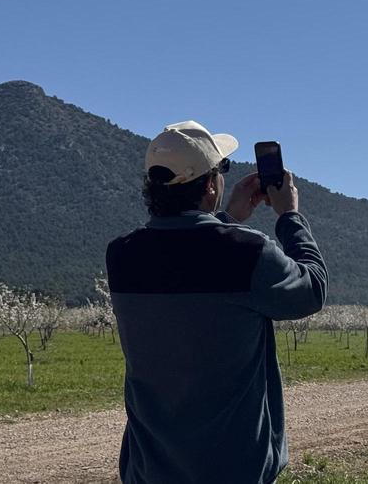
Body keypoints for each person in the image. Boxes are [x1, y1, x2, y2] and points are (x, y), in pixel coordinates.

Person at [106, 120, 327, 484]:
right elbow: (312, 290)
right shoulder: (246, 252)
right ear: (210, 184)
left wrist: (225, 218)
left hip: (149, 470)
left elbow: (182, 261)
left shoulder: (121, 256)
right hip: (233, 469)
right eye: (220, 169)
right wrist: (289, 216)